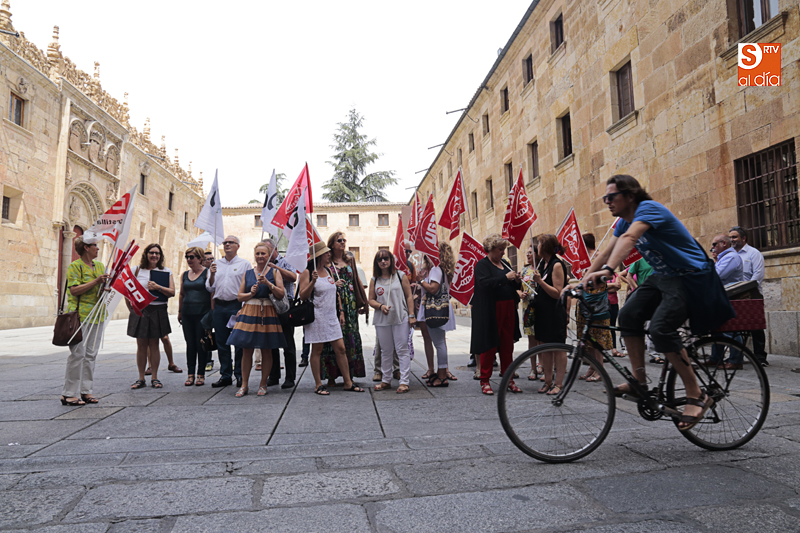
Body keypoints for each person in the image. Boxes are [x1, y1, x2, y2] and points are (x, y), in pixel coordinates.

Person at [580, 174, 734, 431]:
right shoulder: (623, 221)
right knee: (628, 316)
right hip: (664, 276)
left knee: (661, 329)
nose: (606, 202)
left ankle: (697, 394)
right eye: (605, 198)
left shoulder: (649, 209)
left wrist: (607, 271)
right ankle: (639, 382)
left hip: (691, 277)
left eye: (611, 197)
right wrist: (582, 280)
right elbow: (608, 250)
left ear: (629, 196)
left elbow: (629, 241)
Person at [297, 242, 366, 395]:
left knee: (340, 348)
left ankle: (348, 382)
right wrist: (313, 281)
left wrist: (340, 310)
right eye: (327, 253)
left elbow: (333, 292)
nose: (330, 255)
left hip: (331, 316)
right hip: (316, 316)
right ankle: (318, 384)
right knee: (317, 350)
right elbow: (303, 296)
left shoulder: (328, 270)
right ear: (320, 256)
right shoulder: (307, 273)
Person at [228, 242, 287, 397]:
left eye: (263, 254)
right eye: (258, 254)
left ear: (268, 256)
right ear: (254, 255)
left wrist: (268, 284)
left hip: (267, 311)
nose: (260, 256)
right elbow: (240, 296)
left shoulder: (274, 272)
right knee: (246, 349)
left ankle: (263, 384)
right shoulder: (247, 273)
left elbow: (281, 294)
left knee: (266, 349)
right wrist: (250, 294)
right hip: (249, 310)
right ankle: (245, 385)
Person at [470, 234, 522, 396]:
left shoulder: (505, 264)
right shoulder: (482, 265)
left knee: (508, 344)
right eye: (500, 250)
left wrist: (517, 280)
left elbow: (512, 284)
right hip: (492, 310)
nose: (503, 253)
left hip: (508, 307)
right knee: (490, 344)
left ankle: (509, 379)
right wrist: (505, 278)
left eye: (504, 249)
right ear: (491, 249)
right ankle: (485, 379)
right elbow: (484, 284)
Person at [60, 236, 109, 405]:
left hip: (98, 314)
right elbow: (73, 290)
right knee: (78, 354)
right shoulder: (75, 266)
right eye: (95, 245)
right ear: (86, 248)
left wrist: (104, 288)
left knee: (91, 354)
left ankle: (86, 391)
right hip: (80, 314)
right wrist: (96, 281)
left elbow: (99, 290)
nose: (98, 248)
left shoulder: (100, 266)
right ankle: (68, 393)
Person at [320, 232, 367, 386]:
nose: (342, 243)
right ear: (332, 244)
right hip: (333, 304)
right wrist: (334, 284)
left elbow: (356, 281)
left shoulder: (350, 260)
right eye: (339, 240)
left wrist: (363, 302)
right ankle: (331, 376)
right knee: (332, 339)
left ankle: (350, 374)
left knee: (350, 336)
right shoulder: (327, 262)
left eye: (344, 240)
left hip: (351, 304)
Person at [206, 236, 252, 388]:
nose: (226, 244)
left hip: (236, 306)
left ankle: (239, 375)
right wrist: (212, 274)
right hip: (219, 307)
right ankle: (225, 375)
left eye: (230, 242)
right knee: (221, 342)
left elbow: (247, 286)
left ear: (237, 246)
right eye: (225, 242)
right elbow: (209, 287)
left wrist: (244, 307)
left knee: (239, 341)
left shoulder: (244, 264)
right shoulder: (216, 264)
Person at [369, 250, 417, 393]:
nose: (383, 261)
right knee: (385, 351)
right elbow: (370, 299)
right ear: (376, 263)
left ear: (391, 260)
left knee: (402, 349)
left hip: (400, 317)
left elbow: (409, 296)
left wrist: (411, 315)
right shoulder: (374, 279)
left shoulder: (400, 276)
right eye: (380, 260)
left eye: (385, 258)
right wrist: (380, 306)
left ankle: (404, 382)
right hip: (382, 319)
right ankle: (386, 380)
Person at [128, 243, 175, 390]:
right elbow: (127, 291)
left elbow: (172, 292)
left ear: (160, 256)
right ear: (146, 254)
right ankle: (141, 378)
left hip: (158, 309)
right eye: (151, 252)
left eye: (157, 253)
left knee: (154, 344)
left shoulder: (166, 271)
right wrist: (131, 308)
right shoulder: (136, 270)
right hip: (141, 310)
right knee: (141, 345)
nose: (154, 255)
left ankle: (154, 377)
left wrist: (157, 287)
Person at [531, 234, 568, 394]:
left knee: (558, 348)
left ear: (544, 246)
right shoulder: (543, 265)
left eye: (538, 244)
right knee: (544, 347)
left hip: (554, 314)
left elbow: (558, 293)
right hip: (542, 314)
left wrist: (540, 282)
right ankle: (547, 381)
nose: (536, 247)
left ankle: (558, 384)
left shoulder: (557, 265)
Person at [417, 243, 457, 387]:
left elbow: (433, 289)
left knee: (439, 343)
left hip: (435, 310)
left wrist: (420, 280)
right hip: (442, 308)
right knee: (440, 342)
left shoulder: (435, 269)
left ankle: (441, 376)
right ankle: (441, 374)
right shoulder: (442, 269)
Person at [262, 238, 299, 389]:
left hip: (285, 305)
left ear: (274, 249)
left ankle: (290, 377)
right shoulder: (262, 266)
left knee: (287, 342)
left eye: (265, 251)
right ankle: (274, 375)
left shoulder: (286, 261)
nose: (263, 254)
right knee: (271, 342)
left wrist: (275, 269)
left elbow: (293, 277)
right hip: (269, 306)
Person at [576, 233, 612, 383]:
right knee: (588, 339)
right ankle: (592, 366)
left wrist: (594, 273)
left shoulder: (599, 256)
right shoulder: (582, 259)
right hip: (584, 302)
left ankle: (600, 370)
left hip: (597, 304)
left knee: (598, 339)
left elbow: (608, 276)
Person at [729, 226, 768, 366]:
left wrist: (744, 289)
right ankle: (736, 356)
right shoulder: (730, 254)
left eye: (735, 237)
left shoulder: (754, 253)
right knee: (734, 326)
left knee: (756, 325)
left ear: (743, 238)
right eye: (731, 237)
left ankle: (760, 357)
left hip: (752, 293)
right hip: (734, 294)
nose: (732, 240)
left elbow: (758, 275)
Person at [178, 246, 211, 386]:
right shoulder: (185, 274)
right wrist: (180, 311)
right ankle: (190, 373)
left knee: (201, 344)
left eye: (192, 257)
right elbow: (181, 293)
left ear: (200, 259)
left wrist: (211, 313)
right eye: (187, 257)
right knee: (190, 344)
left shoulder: (208, 273)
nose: (189, 260)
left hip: (202, 313)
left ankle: (201, 374)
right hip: (187, 313)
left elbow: (212, 293)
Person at [519, 241, 541, 380]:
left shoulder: (542, 269)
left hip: (541, 307)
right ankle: (533, 368)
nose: (527, 255)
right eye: (527, 252)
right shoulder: (525, 270)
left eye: (530, 252)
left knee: (542, 338)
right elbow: (519, 287)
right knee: (531, 338)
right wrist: (520, 294)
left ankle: (542, 365)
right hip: (528, 308)